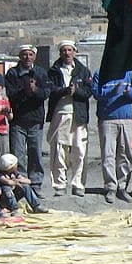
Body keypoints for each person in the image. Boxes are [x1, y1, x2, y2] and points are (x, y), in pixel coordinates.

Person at [48, 40, 95, 196]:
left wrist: (76, 92)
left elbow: (89, 92)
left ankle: (78, 184)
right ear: (60, 53)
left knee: (79, 150)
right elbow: (50, 90)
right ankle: (60, 184)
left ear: (75, 52)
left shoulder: (83, 70)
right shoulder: (54, 71)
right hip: (60, 114)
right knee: (59, 150)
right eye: (63, 50)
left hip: (79, 115)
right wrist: (64, 91)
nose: (66, 53)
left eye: (69, 50)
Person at [5, 45, 50, 187]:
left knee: (35, 154)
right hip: (18, 121)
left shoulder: (41, 73)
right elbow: (11, 94)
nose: (27, 57)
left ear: (34, 56)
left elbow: (46, 93)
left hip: (36, 121)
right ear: (20, 56)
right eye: (24, 54)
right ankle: (21, 184)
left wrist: (35, 90)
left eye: (30, 54)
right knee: (18, 155)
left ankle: (36, 183)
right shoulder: (13, 73)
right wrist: (25, 90)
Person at [97, 71, 132, 203]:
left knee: (126, 153)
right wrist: (113, 92)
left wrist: (129, 93)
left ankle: (122, 187)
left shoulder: (131, 74)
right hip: (107, 118)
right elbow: (96, 93)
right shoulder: (101, 73)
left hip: (126, 119)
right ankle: (110, 187)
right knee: (108, 154)